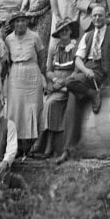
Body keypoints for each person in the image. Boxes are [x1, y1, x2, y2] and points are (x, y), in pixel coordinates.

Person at [56, 5, 110, 164]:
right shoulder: (87, 36)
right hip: (85, 71)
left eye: (100, 15)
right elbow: (78, 59)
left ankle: (92, 93)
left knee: (69, 82)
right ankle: (69, 151)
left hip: (99, 71)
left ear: (105, 17)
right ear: (91, 18)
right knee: (72, 99)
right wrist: (85, 70)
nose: (97, 18)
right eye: (94, 15)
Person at [31, 18, 79, 159]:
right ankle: (48, 144)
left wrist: (63, 82)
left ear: (70, 31)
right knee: (47, 104)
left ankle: (42, 140)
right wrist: (55, 80)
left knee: (50, 104)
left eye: (66, 29)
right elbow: (48, 70)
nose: (64, 32)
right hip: (56, 84)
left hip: (69, 83)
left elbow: (76, 70)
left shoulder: (75, 47)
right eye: (61, 30)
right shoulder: (54, 48)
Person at [4, 11, 46, 155]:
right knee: (16, 108)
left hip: (32, 72)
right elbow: (7, 59)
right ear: (13, 24)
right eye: (17, 21)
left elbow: (41, 56)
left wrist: (39, 72)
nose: (20, 24)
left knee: (33, 106)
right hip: (16, 73)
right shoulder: (8, 39)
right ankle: (16, 144)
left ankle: (33, 144)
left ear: (27, 22)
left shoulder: (35, 36)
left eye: (23, 21)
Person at [21, 0, 52, 72]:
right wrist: (24, 13)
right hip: (30, 20)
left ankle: (42, 75)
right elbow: (26, 2)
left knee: (41, 46)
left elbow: (44, 1)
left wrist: (28, 13)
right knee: (30, 46)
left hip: (43, 17)